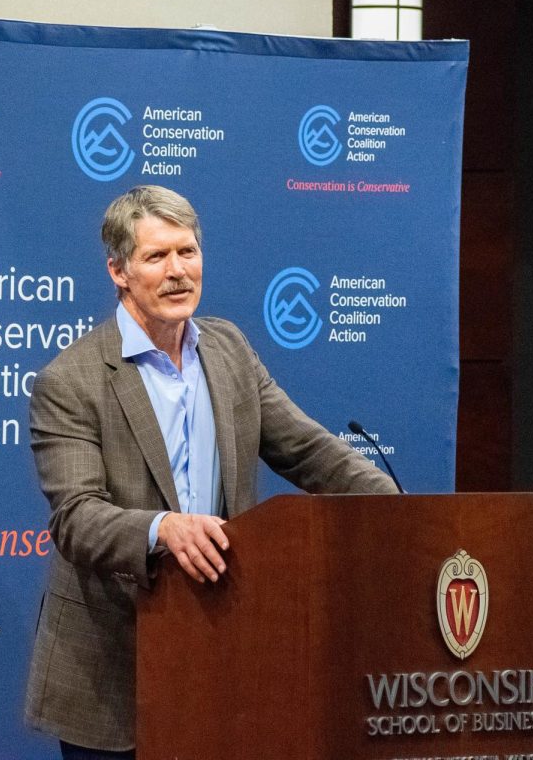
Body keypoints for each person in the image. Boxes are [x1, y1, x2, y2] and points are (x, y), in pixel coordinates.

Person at [24, 185, 395, 758]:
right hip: (117, 662)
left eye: (188, 252)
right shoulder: (70, 381)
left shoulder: (229, 350)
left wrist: (401, 511)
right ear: (119, 271)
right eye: (157, 257)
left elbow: (311, 452)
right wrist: (163, 528)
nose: (177, 271)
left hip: (225, 646)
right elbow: (77, 517)